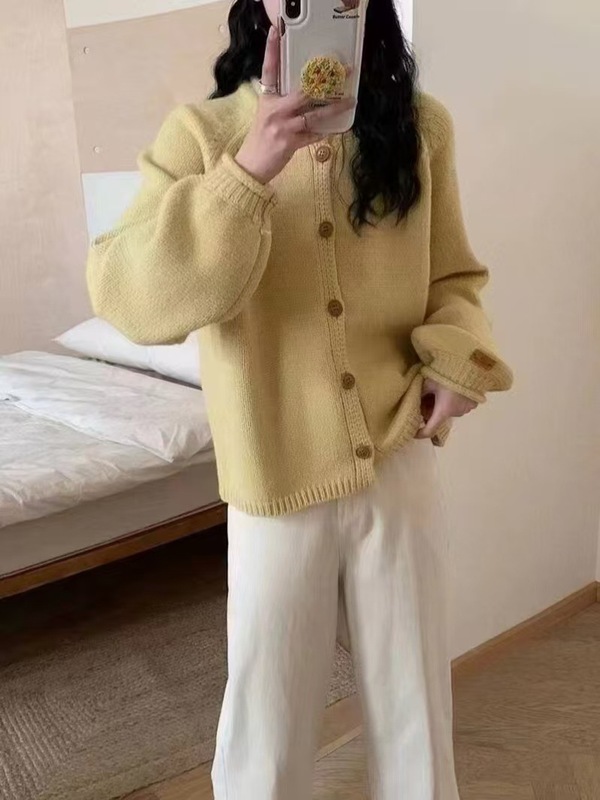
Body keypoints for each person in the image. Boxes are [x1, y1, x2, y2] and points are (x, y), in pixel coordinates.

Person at [87, 0, 513, 796]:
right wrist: (249, 169)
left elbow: (455, 278)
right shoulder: (202, 135)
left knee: (414, 695)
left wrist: (455, 365)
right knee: (268, 711)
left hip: (398, 451)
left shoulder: (421, 128)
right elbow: (130, 299)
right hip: (274, 470)